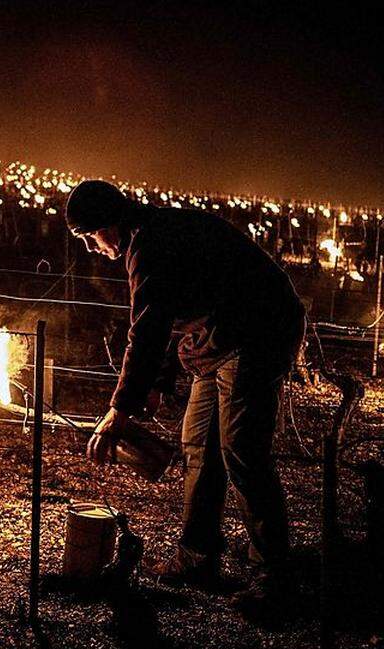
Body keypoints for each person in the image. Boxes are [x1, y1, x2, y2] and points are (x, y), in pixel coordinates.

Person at [66, 180, 306, 614]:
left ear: (108, 224)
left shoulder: (149, 244)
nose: (89, 247)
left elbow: (148, 329)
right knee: (198, 444)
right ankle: (198, 556)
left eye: (88, 236)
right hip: (218, 335)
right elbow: (169, 310)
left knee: (242, 448)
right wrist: (156, 385)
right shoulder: (147, 234)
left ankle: (276, 575)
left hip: (260, 331)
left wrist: (119, 411)